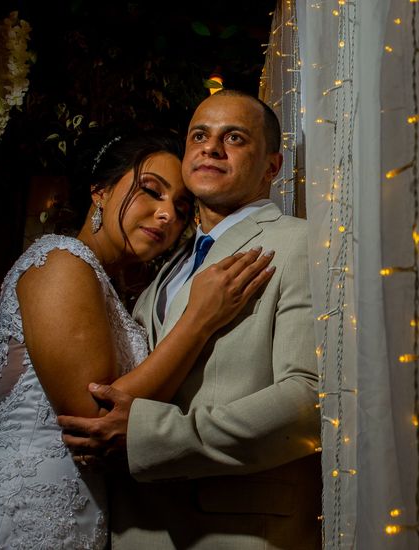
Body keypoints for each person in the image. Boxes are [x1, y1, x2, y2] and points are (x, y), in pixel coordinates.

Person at [0, 129, 276, 549]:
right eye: (151, 191)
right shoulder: (59, 261)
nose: (167, 215)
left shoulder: (119, 291)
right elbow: (92, 414)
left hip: (81, 516)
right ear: (101, 191)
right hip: (20, 517)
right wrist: (199, 320)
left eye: (182, 208)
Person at [57, 90, 321, 549]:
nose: (211, 147)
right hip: (131, 527)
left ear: (272, 167)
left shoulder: (301, 244)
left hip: (232, 531)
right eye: (199, 135)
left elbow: (308, 399)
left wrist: (153, 437)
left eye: (234, 138)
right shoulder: (165, 263)